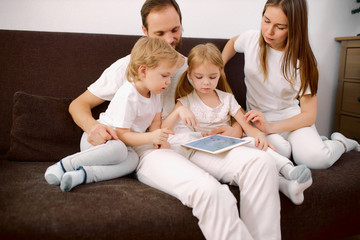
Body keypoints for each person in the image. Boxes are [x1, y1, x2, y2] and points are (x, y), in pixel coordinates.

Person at [67, 1, 282, 239]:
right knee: (212, 192)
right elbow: (78, 104)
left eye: (175, 30)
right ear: (145, 32)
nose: (170, 39)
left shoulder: (193, 66)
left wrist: (235, 129)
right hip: (154, 150)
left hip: (195, 142)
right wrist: (93, 128)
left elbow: (228, 103)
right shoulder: (131, 67)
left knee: (262, 165)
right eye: (160, 33)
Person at [162, 43, 312, 205]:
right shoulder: (186, 101)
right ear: (190, 75)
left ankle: (288, 170)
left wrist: (258, 135)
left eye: (212, 77)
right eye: (199, 77)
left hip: (230, 144)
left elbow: (247, 127)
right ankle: (287, 185)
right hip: (206, 152)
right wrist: (179, 111)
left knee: (252, 142)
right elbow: (165, 128)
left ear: (220, 73)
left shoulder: (227, 99)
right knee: (249, 160)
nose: (206, 83)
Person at [221, 0, 360, 170]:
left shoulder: (302, 62)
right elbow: (233, 43)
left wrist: (271, 127)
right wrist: (221, 65)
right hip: (258, 120)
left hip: (291, 120)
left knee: (317, 159)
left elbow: (309, 115)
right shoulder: (251, 39)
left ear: (294, 28)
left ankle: (341, 142)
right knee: (279, 153)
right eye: (266, 20)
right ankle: (312, 143)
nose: (269, 31)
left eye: (280, 27)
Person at [44, 37, 180, 192]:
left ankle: (82, 175)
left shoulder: (156, 94)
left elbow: (155, 124)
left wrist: (159, 140)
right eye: (164, 75)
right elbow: (122, 135)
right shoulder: (128, 94)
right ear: (143, 71)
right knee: (120, 150)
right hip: (100, 141)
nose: (169, 81)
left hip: (123, 147)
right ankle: (64, 165)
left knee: (133, 161)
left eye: (170, 76)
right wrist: (151, 137)